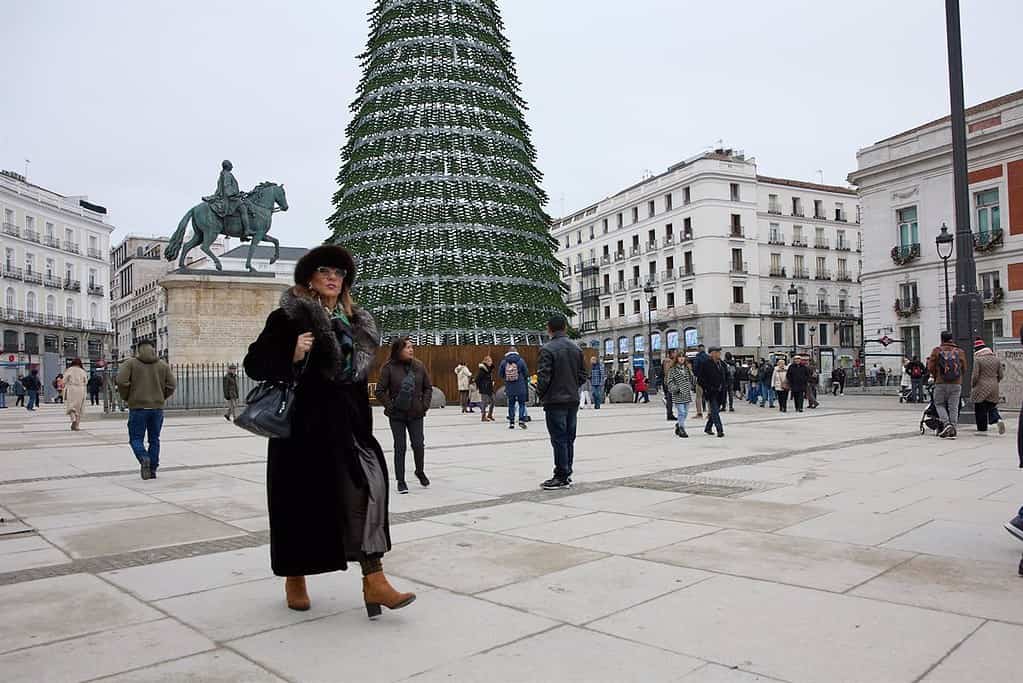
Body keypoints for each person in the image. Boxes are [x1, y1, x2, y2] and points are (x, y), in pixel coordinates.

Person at [245, 244, 415, 616]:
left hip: (349, 427)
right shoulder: (288, 319)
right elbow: (254, 364)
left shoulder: (355, 323)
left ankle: (375, 580)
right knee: (299, 505)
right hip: (303, 431)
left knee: (368, 491)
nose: (333, 278)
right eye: (325, 271)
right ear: (310, 277)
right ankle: (295, 575)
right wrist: (292, 353)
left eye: (339, 273)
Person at [536, 313, 586, 490]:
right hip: (572, 400)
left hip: (554, 400)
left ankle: (561, 475)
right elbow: (582, 375)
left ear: (549, 329)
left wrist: (541, 394)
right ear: (565, 327)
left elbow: (544, 377)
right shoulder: (576, 348)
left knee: (558, 438)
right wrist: (572, 386)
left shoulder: (547, 349)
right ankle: (567, 471)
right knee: (569, 438)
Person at [376, 337, 433, 494]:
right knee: (400, 446)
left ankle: (419, 471)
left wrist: (424, 405)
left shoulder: (419, 366)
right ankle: (401, 480)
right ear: (398, 350)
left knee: (418, 444)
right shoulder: (388, 368)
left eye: (412, 347)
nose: (411, 350)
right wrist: (391, 406)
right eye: (407, 347)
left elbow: (428, 387)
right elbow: (379, 391)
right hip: (397, 415)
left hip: (416, 413)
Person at [117, 341, 176, 480]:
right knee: (154, 439)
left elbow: (121, 381)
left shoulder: (130, 363)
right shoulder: (163, 365)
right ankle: (153, 469)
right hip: (157, 408)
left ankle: (144, 458)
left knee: (136, 439)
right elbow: (172, 384)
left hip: (138, 407)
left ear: (138, 350)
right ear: (153, 349)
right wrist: (161, 396)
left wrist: (127, 396)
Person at [927, 330, 967, 439]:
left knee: (939, 404)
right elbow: (964, 368)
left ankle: (946, 424)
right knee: (953, 406)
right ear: (951, 338)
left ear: (942, 339)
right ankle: (953, 428)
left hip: (940, 382)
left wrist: (936, 376)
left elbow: (930, 367)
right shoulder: (959, 351)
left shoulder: (937, 351)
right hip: (956, 384)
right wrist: (957, 377)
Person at [203, 159, 251, 236]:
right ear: (228, 166)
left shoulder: (222, 174)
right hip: (229, 199)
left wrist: (238, 193)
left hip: (227, 197)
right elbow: (227, 187)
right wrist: (235, 194)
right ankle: (247, 230)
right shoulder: (227, 174)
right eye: (231, 165)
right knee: (243, 208)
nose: (232, 166)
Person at [971, 339, 1005, 434]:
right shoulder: (996, 359)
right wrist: (995, 381)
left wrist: (973, 385)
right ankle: (998, 419)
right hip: (994, 386)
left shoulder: (978, 359)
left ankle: (982, 429)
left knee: (980, 408)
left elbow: (975, 375)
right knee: (991, 406)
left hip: (981, 386)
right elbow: (1001, 375)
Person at [696, 347, 727, 437]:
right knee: (715, 411)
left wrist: (726, 385)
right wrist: (708, 388)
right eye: (717, 352)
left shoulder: (721, 363)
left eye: (719, 352)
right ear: (711, 353)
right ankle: (720, 430)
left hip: (721, 392)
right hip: (711, 392)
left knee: (715, 411)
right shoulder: (705, 364)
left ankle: (708, 427)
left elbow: (725, 375)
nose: (719, 354)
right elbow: (700, 380)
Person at [499, 347, 529, 429]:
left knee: (511, 404)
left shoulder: (504, 362)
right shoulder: (521, 361)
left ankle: (511, 422)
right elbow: (526, 373)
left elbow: (500, 374)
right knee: (521, 404)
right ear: (516, 352)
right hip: (520, 386)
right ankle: (521, 420)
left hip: (509, 386)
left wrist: (507, 378)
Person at [666, 353, 696, 438]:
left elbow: (692, 380)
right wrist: (676, 389)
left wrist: (692, 375)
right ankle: (682, 429)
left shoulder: (687, 369)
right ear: (677, 359)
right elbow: (670, 382)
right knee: (681, 412)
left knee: (685, 413)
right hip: (678, 394)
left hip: (686, 393)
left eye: (683, 357)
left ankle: (678, 424)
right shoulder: (673, 370)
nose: (682, 359)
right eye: (680, 357)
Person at [63, 359, 88, 431]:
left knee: (71, 406)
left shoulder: (69, 370)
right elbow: (86, 381)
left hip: (71, 389)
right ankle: (77, 425)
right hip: (81, 389)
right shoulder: (82, 371)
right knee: (79, 408)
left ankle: (73, 419)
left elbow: (64, 380)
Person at [475, 356, 495, 422]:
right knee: (484, 402)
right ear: (485, 361)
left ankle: (490, 414)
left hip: (489, 387)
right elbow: (477, 379)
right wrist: (480, 386)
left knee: (493, 400)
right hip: (484, 388)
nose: (491, 362)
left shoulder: (489, 369)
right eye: (489, 361)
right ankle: (483, 416)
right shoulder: (482, 370)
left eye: (491, 361)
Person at [661, 351, 676, 420]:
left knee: (670, 398)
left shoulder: (670, 361)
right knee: (669, 398)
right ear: (671, 354)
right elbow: (667, 372)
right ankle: (669, 414)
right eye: (674, 353)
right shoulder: (667, 361)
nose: (675, 354)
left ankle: (670, 413)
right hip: (668, 382)